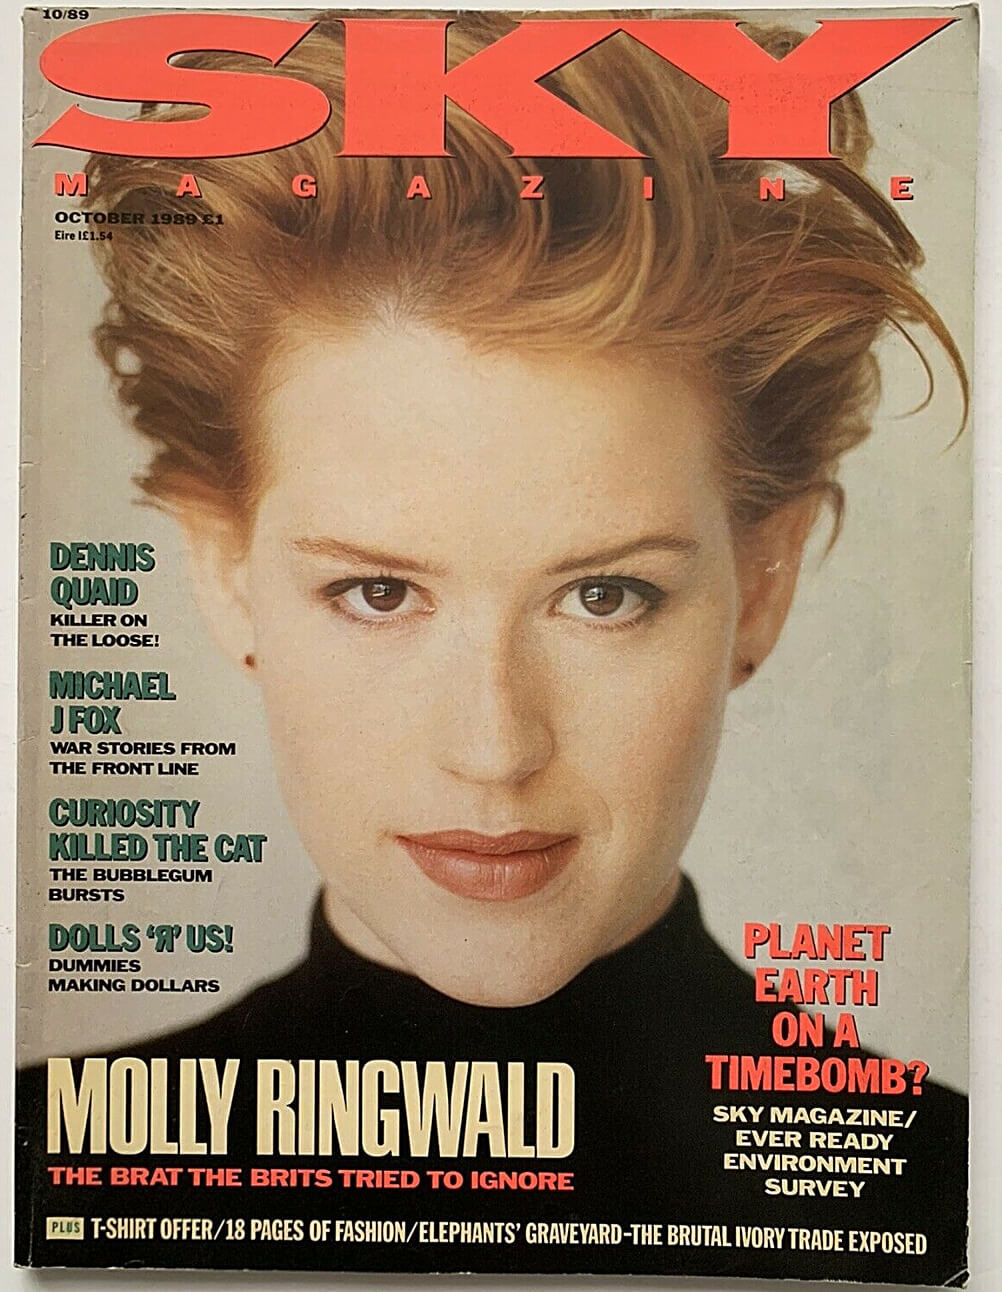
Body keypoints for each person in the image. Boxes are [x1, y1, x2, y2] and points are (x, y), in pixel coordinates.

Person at [18, 13, 969, 1282]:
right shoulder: (37, 1185)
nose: (493, 748)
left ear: (763, 581)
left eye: (606, 595)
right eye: (376, 592)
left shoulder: (953, 1199)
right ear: (225, 573)